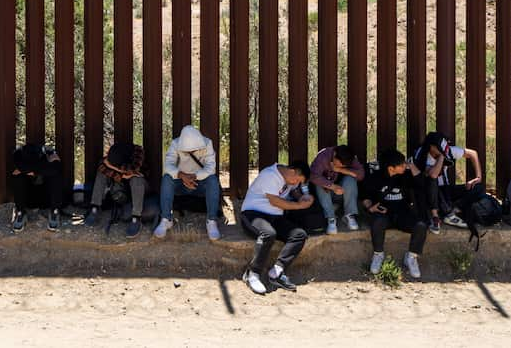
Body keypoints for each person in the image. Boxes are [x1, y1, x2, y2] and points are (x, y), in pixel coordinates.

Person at [238, 160, 314, 295]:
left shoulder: (290, 178)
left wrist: (302, 198)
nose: (296, 183)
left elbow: (294, 191)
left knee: (299, 234)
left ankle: (277, 272)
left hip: (275, 217)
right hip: (253, 214)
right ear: (292, 171)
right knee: (268, 234)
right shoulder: (270, 175)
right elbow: (275, 201)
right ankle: (252, 273)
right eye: (296, 179)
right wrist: (299, 206)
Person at [361, 149, 428, 280]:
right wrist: (371, 207)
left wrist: (411, 166)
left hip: (402, 214)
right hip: (383, 214)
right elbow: (365, 197)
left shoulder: (406, 175)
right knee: (377, 222)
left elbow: (422, 183)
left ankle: (411, 257)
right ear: (391, 168)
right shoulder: (375, 178)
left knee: (421, 226)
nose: (405, 166)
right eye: (402, 165)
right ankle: (378, 254)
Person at [154, 124, 222, 241]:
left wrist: (194, 177)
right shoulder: (175, 144)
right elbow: (168, 165)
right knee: (166, 178)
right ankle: (166, 219)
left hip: (199, 183)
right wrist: (182, 176)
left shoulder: (207, 143)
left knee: (212, 180)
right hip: (180, 182)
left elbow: (211, 168)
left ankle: (211, 221)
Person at [411, 132, 481, 233]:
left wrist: (478, 177)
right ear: (432, 147)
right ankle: (448, 214)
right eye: (440, 148)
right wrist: (442, 157)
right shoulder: (421, 154)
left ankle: (454, 208)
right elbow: (433, 175)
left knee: (478, 187)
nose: (444, 151)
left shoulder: (448, 150)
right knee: (432, 180)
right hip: (431, 193)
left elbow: (473, 153)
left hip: (446, 189)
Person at [84, 142, 148, 238]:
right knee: (101, 174)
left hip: (139, 190)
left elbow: (134, 170)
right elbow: (102, 166)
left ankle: (136, 218)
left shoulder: (138, 153)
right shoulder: (115, 152)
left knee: (136, 180)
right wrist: (120, 174)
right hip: (120, 185)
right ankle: (95, 207)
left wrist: (111, 167)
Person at [309, 144, 364, 234]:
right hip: (325, 194)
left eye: (344, 165)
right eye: (340, 163)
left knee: (351, 179)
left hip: (342, 193)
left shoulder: (350, 158)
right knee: (320, 184)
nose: (342, 165)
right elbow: (313, 177)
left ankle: (349, 215)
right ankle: (331, 218)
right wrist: (332, 186)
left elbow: (361, 175)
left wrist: (340, 170)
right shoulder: (323, 156)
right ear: (334, 154)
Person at [9, 143, 64, 233]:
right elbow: (19, 168)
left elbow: (56, 168)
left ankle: (54, 212)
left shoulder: (48, 152)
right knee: (17, 176)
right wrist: (39, 169)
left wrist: (33, 171)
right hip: (28, 200)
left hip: (47, 199)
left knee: (55, 175)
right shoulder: (19, 154)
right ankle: (20, 213)